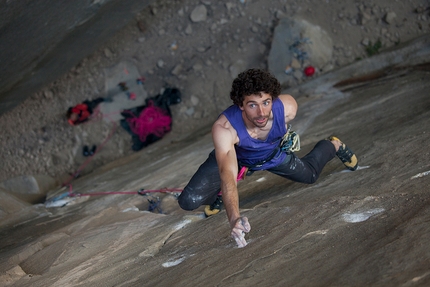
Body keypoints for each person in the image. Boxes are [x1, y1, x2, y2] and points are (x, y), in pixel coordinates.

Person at [178, 68, 358, 248]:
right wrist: (234, 219)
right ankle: (218, 196)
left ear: (273, 99)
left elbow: (281, 121)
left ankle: (333, 145)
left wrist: (285, 135)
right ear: (240, 105)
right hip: (238, 159)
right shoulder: (225, 128)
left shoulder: (288, 108)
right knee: (188, 201)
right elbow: (227, 173)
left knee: (310, 175)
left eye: (266, 102)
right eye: (252, 105)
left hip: (271, 155)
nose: (261, 112)